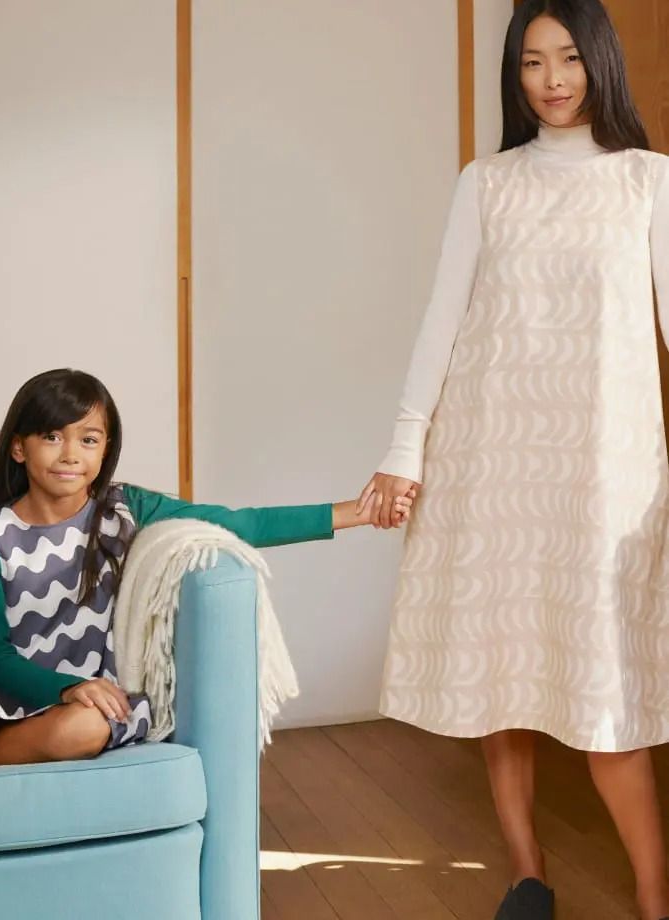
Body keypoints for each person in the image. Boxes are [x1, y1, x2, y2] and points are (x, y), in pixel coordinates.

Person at [357, 1, 669, 917]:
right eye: (532, 62)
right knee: (503, 675)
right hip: (489, 458)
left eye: (568, 57)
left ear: (599, 60)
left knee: (607, 689)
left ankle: (655, 894)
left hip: (602, 467)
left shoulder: (648, 180)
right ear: (515, 74)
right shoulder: (487, 182)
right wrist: (405, 447)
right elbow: (443, 319)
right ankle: (528, 874)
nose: (553, 79)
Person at [0, 367, 415, 768]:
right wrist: (62, 686)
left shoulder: (125, 509)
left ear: (106, 448)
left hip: (85, 703)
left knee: (85, 728)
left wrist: (355, 513)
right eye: (52, 437)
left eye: (88, 440)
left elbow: (240, 523)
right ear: (19, 447)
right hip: (2, 689)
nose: (71, 454)